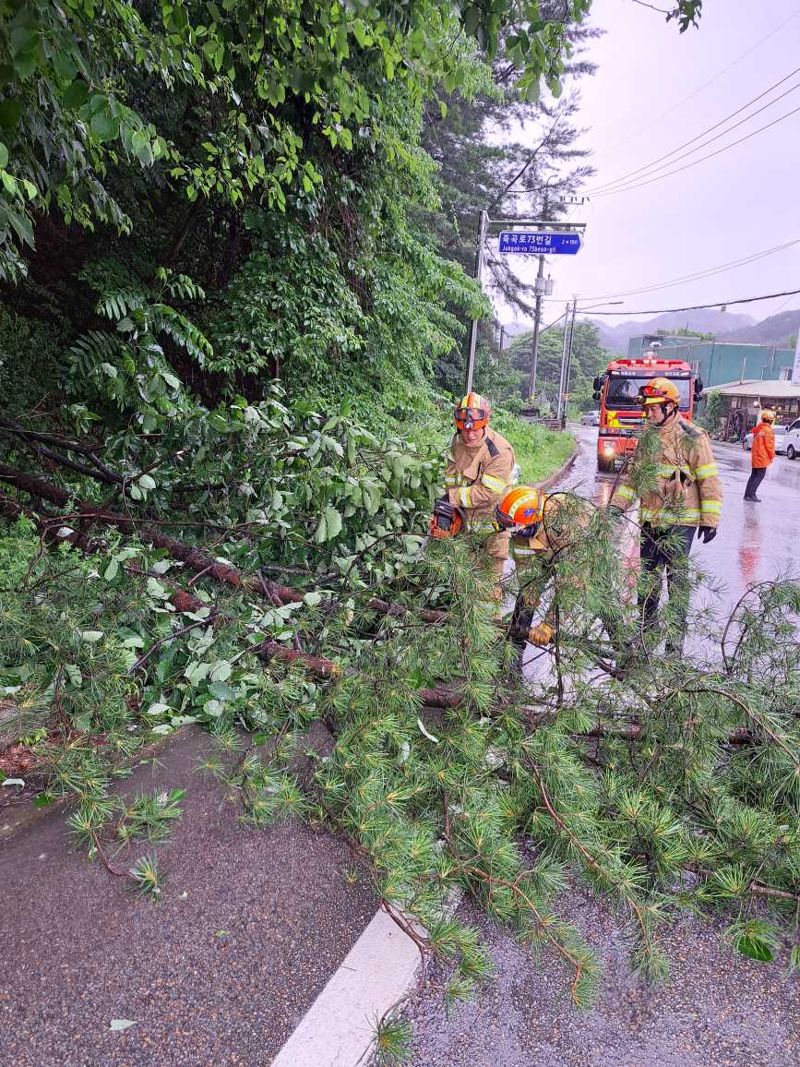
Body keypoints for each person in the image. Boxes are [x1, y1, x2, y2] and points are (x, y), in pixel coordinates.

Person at [609, 377, 723, 649]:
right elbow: (634, 479)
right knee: (646, 582)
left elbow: (708, 479)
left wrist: (710, 520)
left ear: (671, 406)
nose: (649, 414)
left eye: (654, 408)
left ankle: (674, 646)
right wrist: (616, 506)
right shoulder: (648, 437)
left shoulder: (692, 436)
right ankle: (647, 637)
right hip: (650, 520)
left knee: (676, 584)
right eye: (646, 409)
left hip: (681, 524)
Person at [495, 485, 622, 652]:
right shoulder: (521, 529)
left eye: (512, 527)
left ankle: (625, 653)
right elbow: (527, 571)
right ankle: (512, 656)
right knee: (524, 600)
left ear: (531, 523)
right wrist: (529, 594)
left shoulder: (574, 521)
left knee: (603, 597)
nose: (510, 533)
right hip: (546, 547)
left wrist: (549, 624)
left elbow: (572, 583)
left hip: (587, 553)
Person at [432, 393, 515, 601]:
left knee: (488, 591)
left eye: (475, 429)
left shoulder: (499, 452)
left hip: (492, 531)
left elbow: (488, 492)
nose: (469, 435)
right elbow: (451, 477)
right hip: (464, 528)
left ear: (485, 423)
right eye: (465, 429)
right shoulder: (457, 441)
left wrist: (453, 498)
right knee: (462, 588)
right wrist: (447, 511)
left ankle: (491, 629)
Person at [744, 409, 776, 502]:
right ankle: (752, 494)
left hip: (756, 456)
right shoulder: (768, 430)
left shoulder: (759, 429)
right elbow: (769, 446)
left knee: (753, 475)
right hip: (762, 457)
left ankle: (747, 495)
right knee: (759, 476)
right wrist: (772, 455)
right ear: (771, 420)